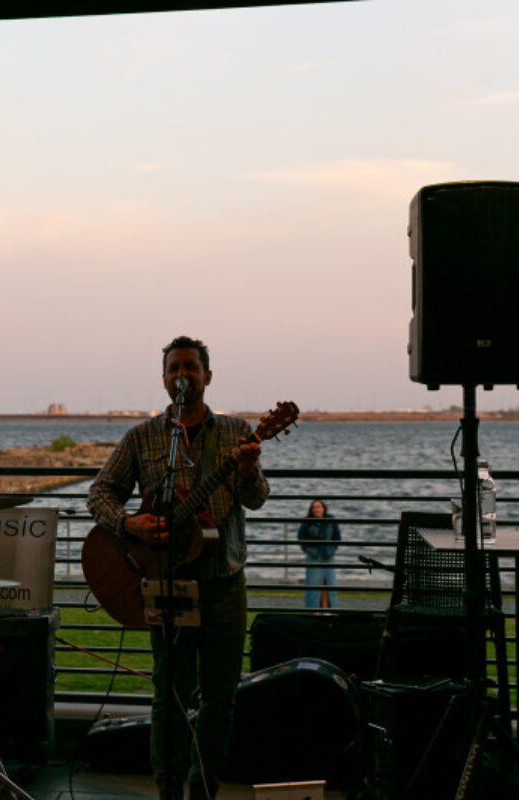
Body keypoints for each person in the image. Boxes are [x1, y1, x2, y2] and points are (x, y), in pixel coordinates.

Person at [87, 335, 269, 800]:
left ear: (208, 376)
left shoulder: (237, 432)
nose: (182, 375)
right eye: (174, 368)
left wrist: (248, 472)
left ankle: (203, 790)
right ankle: (167, 791)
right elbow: (100, 494)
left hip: (223, 580)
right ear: (164, 379)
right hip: (164, 584)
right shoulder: (144, 437)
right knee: (170, 696)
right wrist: (131, 525)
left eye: (190, 367)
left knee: (220, 700)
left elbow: (257, 499)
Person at [298, 499, 341, 609]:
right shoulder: (307, 522)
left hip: (328, 557)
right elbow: (301, 539)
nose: (316, 509)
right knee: (314, 585)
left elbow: (337, 538)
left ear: (324, 508)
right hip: (314, 558)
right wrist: (312, 552)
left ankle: (327, 608)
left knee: (328, 584)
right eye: (314, 507)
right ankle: (314, 609)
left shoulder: (331, 520)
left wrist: (330, 551)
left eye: (319, 507)